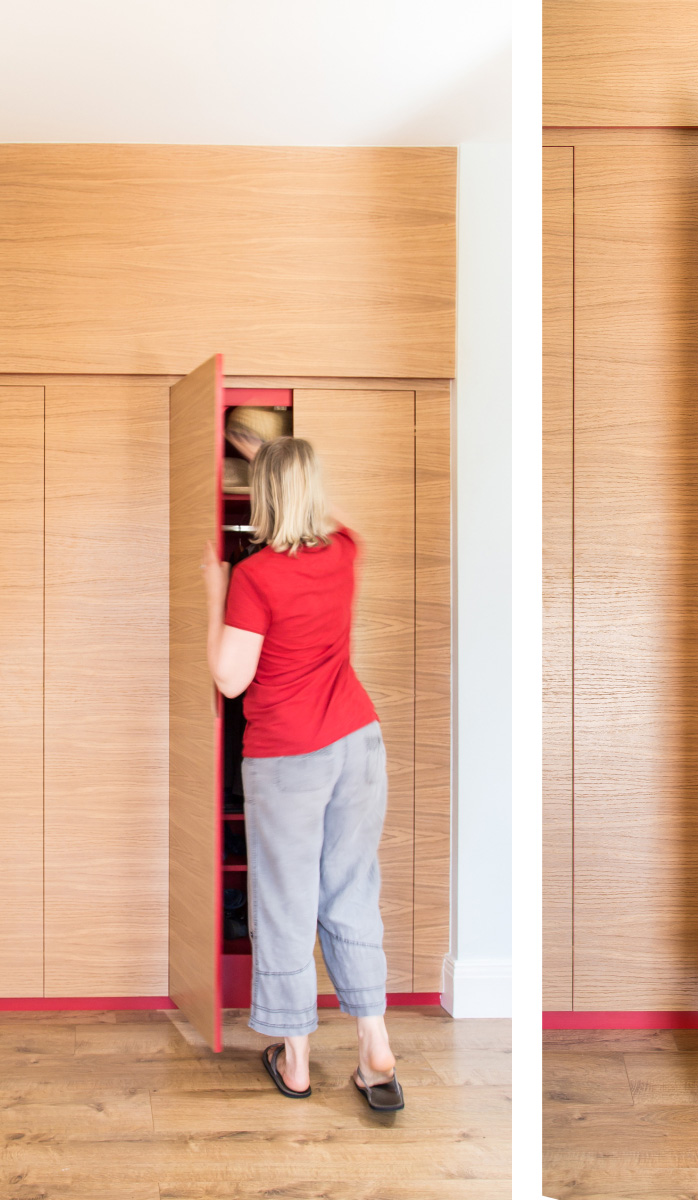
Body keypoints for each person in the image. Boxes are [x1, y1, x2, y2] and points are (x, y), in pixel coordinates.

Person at [200, 435, 404, 1112]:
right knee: (349, 893)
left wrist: (215, 592)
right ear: (313, 489)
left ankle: (295, 1059)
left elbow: (230, 679)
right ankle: (374, 1045)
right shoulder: (343, 554)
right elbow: (342, 519)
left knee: (285, 905)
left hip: (291, 757)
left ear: (261, 496)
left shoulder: (255, 576)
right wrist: (283, 459)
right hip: (358, 742)